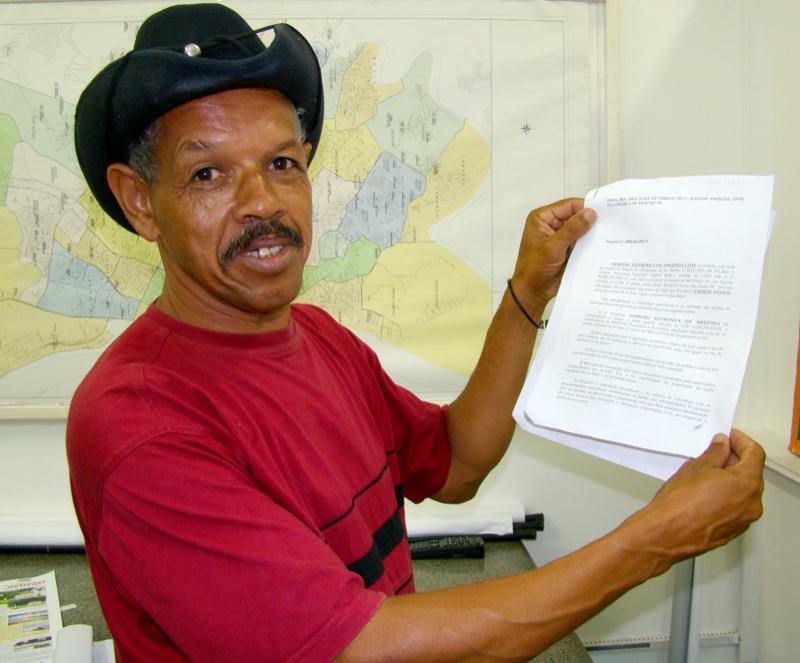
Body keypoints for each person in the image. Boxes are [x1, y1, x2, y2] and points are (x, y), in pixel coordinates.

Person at [66, 4, 765, 662]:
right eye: (208, 173)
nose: (263, 203)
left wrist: (528, 292)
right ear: (139, 201)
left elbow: (456, 463)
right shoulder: (140, 422)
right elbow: (359, 648)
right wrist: (654, 538)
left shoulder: (318, 338)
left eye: (282, 163)